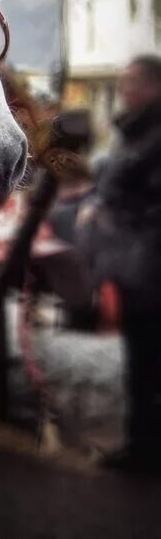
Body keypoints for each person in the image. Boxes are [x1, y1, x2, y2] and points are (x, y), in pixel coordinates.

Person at [78, 55, 161, 472]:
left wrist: (110, 213)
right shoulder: (135, 133)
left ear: (153, 87)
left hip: (150, 271)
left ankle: (144, 451)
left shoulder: (153, 137)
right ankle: (141, 443)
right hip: (135, 267)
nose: (123, 90)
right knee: (141, 362)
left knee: (147, 362)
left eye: (131, 83)